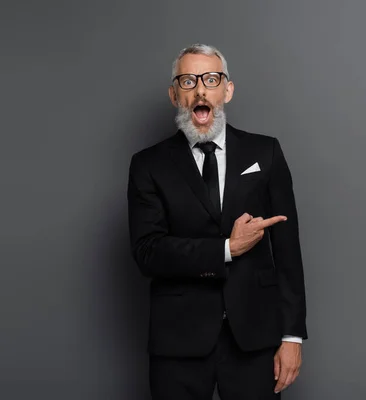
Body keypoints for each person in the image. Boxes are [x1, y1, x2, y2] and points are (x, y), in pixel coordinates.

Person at [127, 43, 308, 399]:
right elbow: (147, 252)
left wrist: (291, 336)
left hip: (255, 339)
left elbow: (288, 253)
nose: (200, 89)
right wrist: (226, 249)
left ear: (227, 89)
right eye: (188, 80)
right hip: (178, 341)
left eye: (210, 79)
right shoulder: (148, 164)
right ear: (174, 94)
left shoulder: (265, 152)